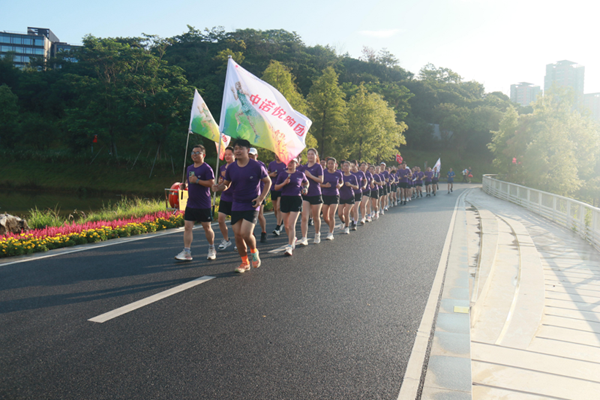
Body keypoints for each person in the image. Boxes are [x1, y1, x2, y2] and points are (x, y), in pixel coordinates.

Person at [212, 139, 271, 273]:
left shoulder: (257, 166)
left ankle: (254, 251)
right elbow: (227, 184)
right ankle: (245, 262)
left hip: (252, 204)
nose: (237, 151)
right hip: (236, 203)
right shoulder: (231, 167)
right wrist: (218, 187)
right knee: (238, 236)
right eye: (236, 148)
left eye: (241, 148)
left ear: (247, 150)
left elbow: (268, 182)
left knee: (245, 233)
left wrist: (261, 198)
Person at [175, 145, 217, 261]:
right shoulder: (189, 168)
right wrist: (185, 185)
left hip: (203, 203)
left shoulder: (207, 168)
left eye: (197, 152)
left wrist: (197, 181)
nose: (194, 154)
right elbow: (189, 180)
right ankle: (187, 252)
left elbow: (211, 183)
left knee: (207, 227)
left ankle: (212, 248)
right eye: (193, 152)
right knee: (187, 227)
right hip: (191, 203)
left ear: (203, 155)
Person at [274, 157, 308, 256]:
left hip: (296, 199)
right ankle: (293, 239)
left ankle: (289, 246)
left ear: (296, 164)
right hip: (285, 199)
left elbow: (306, 182)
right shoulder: (282, 174)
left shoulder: (300, 174)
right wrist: (284, 183)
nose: (290, 164)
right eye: (289, 162)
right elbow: (276, 187)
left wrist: (305, 188)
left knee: (291, 224)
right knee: (286, 225)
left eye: (293, 162)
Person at [298, 148, 324, 245]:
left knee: (316, 217)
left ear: (316, 156)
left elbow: (321, 180)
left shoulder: (318, 167)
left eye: (312, 154)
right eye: (308, 154)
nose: (310, 156)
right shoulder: (303, 167)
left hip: (316, 193)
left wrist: (310, 176)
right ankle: (304, 238)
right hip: (306, 194)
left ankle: (317, 234)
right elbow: (300, 180)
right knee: (304, 217)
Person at [214, 146, 235, 251]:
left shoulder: (237, 167)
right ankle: (226, 240)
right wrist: (219, 184)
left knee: (236, 223)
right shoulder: (222, 168)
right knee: (220, 219)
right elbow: (222, 182)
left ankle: (240, 241)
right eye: (226, 154)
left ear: (234, 155)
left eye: (230, 154)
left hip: (235, 198)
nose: (227, 156)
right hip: (225, 197)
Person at [320, 157, 342, 240]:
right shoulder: (323, 172)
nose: (330, 165)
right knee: (325, 217)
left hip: (334, 195)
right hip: (325, 195)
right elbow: (319, 184)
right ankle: (331, 226)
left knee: (331, 215)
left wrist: (340, 185)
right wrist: (324, 186)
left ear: (335, 164)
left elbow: (341, 182)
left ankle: (330, 233)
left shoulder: (338, 173)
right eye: (329, 163)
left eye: (332, 164)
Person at [249, 148, 268, 243]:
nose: (251, 158)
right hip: (249, 193)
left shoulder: (261, 165)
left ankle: (263, 232)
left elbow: (266, 179)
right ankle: (251, 233)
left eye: (252, 156)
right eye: (249, 156)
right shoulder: (245, 164)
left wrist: (262, 196)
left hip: (260, 193)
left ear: (256, 156)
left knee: (260, 214)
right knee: (249, 215)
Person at [268, 155, 287, 236]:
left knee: (279, 207)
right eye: (275, 154)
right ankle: (280, 222)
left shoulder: (285, 164)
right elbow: (266, 175)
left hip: (282, 188)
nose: (277, 156)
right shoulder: (271, 164)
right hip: (273, 188)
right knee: (275, 209)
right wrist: (271, 175)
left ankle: (278, 227)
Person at [339, 161, 359, 234]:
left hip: (350, 196)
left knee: (346, 213)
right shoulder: (341, 175)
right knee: (340, 214)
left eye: (347, 166)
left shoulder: (353, 176)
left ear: (350, 167)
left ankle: (347, 228)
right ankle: (343, 222)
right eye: (344, 166)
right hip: (341, 196)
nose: (345, 167)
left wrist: (350, 185)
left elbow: (357, 187)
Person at [351, 162, 366, 230]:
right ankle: (353, 219)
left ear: (356, 165)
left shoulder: (361, 173)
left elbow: (365, 180)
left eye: (353, 166)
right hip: (350, 193)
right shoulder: (349, 173)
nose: (352, 168)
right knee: (351, 209)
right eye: (351, 166)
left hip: (358, 192)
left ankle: (355, 223)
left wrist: (364, 185)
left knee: (355, 208)